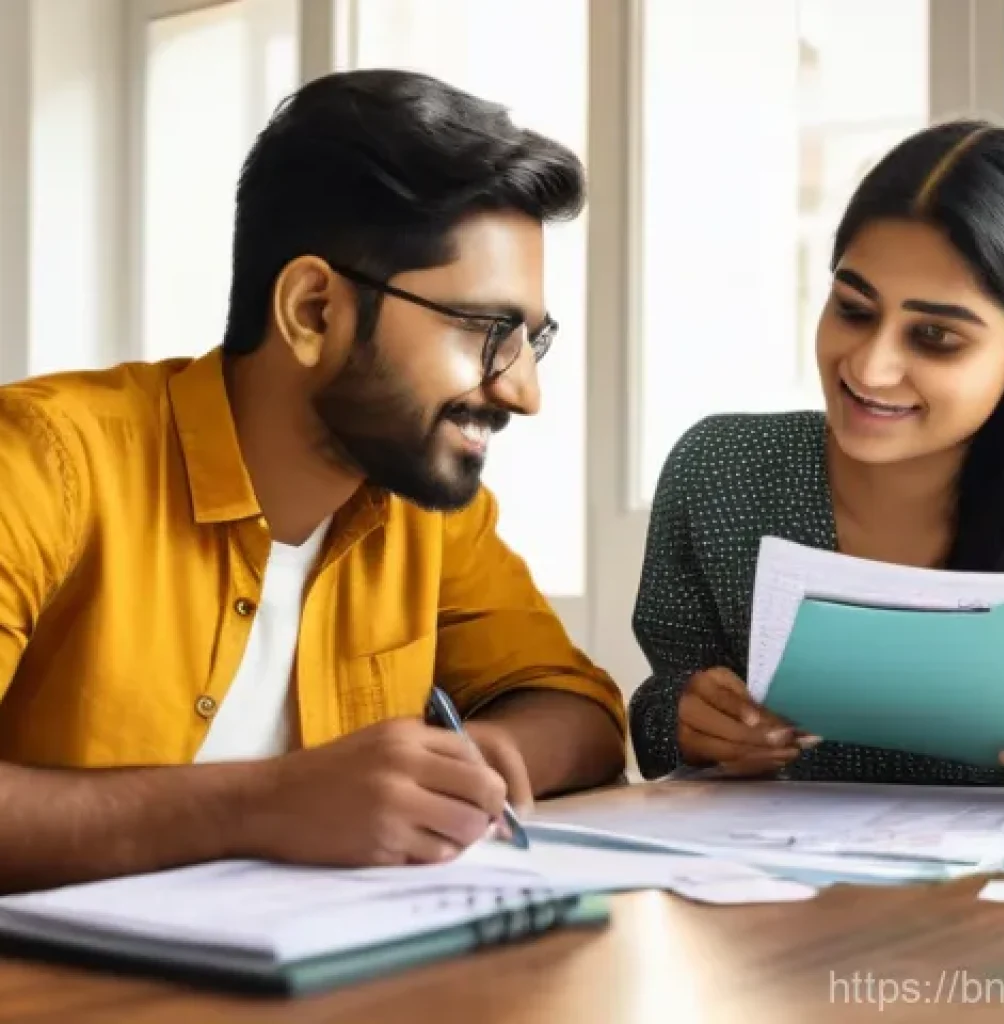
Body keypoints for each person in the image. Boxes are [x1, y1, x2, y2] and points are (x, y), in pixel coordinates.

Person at [0, 69, 626, 895]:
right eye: (484, 330)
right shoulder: (43, 463)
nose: (521, 391)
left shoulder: (421, 506)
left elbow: (577, 707)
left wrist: (475, 764)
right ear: (312, 311)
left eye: (530, 341)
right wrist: (260, 805)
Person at [630, 119, 1004, 786]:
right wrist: (690, 725)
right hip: (776, 883)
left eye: (934, 336)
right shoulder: (722, 474)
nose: (870, 369)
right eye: (853, 309)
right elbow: (662, 715)